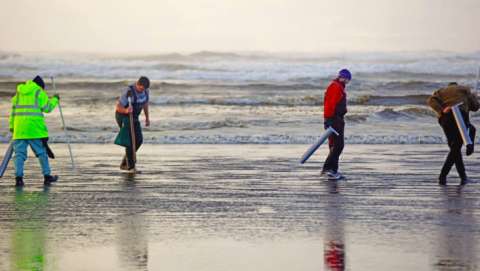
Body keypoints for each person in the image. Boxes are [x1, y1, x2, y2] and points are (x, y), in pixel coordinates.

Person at [9, 75, 59, 187]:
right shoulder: (38, 92)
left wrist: (12, 126)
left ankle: (19, 179)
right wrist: (55, 99)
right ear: (41, 86)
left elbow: (13, 111)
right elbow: (48, 108)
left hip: (19, 129)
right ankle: (47, 177)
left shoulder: (18, 93)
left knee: (19, 155)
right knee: (42, 153)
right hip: (34, 129)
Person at [427, 82, 479, 185]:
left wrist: (441, 110)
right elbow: (475, 107)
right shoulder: (464, 89)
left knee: (455, 148)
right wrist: (475, 97)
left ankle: (463, 177)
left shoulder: (441, 91)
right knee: (457, 146)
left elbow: (431, 100)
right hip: (459, 116)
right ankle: (443, 176)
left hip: (445, 119)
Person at [115, 76, 151, 171]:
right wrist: (126, 110)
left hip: (134, 117)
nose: (142, 91)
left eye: (144, 89)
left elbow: (145, 104)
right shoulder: (128, 91)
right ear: (137, 84)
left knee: (139, 140)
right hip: (123, 116)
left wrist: (147, 118)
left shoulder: (146, 91)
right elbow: (118, 107)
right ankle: (131, 167)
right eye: (141, 89)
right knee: (130, 141)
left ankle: (125, 161)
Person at [322, 69, 351, 180]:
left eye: (347, 79)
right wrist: (329, 120)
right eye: (345, 78)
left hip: (337, 119)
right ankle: (329, 170)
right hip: (333, 120)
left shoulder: (339, 87)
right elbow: (330, 104)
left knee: (336, 145)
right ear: (340, 77)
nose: (346, 80)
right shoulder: (335, 86)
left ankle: (332, 170)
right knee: (337, 145)